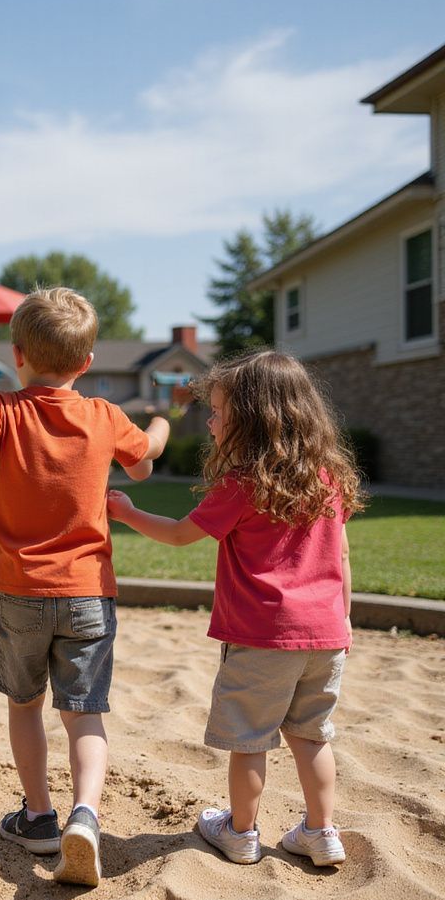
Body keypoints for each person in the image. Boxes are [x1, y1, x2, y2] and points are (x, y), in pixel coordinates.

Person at [107, 349, 362, 867]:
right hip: (327, 634)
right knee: (312, 737)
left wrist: (127, 512)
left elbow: (180, 535)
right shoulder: (327, 478)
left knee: (249, 740)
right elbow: (342, 553)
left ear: (252, 420)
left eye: (220, 412)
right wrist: (345, 617)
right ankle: (321, 830)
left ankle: (241, 832)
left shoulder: (244, 483)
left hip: (262, 636)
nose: (210, 420)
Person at [0, 287, 169, 887]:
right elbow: (145, 460)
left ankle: (40, 816)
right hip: (88, 593)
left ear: (18, 354)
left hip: (19, 589)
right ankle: (87, 816)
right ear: (88, 361)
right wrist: (160, 423)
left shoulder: (5, 407)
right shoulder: (103, 415)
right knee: (86, 714)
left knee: (25, 705)